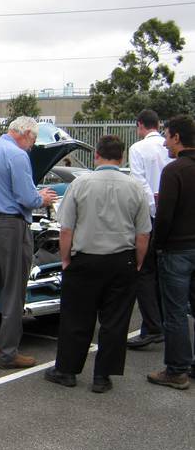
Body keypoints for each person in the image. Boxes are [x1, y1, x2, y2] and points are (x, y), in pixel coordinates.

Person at [45, 135, 151, 393]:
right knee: (115, 321)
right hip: (121, 261)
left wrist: (66, 259)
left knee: (76, 318)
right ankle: (102, 377)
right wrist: (137, 263)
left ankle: (67, 371)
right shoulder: (135, 187)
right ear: (122, 157)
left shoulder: (81, 184)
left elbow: (66, 228)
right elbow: (143, 233)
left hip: (85, 260)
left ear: (97, 155)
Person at [0, 116, 57, 369]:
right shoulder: (18, 155)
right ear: (26, 133)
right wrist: (42, 197)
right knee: (13, 292)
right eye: (33, 139)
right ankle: (9, 353)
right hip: (11, 226)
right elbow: (26, 196)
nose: (32, 145)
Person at [147, 114, 195, 390]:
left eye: (166, 136)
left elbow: (164, 217)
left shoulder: (175, 171)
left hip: (177, 249)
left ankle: (177, 369)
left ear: (177, 137)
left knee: (175, 312)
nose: (165, 143)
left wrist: (158, 245)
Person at [127, 109, 172, 349]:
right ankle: (165, 322)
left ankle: (152, 326)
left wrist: (152, 211)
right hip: (173, 216)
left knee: (143, 271)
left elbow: (140, 184)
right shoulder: (170, 147)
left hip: (150, 216)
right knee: (168, 273)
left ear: (140, 125)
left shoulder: (138, 149)